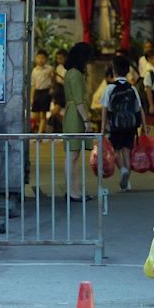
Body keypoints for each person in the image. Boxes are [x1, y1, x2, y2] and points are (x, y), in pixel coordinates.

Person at [101, 56, 148, 190]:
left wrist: (102, 127)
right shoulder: (132, 88)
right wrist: (144, 126)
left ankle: (122, 170)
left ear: (114, 71)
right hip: (130, 125)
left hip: (115, 125)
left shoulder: (109, 88)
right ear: (127, 71)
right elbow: (139, 109)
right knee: (127, 151)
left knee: (116, 151)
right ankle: (127, 183)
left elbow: (104, 109)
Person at [62, 42, 94, 201]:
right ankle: (72, 192)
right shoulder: (75, 74)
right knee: (72, 155)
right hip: (76, 115)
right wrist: (87, 120)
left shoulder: (70, 72)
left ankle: (74, 190)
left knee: (73, 155)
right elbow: (79, 100)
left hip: (73, 113)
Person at [31, 49, 54, 133]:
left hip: (45, 92)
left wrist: (52, 89)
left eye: (43, 58)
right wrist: (31, 98)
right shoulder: (34, 71)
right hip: (37, 92)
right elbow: (33, 85)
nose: (41, 60)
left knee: (43, 115)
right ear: (36, 58)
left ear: (46, 59)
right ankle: (42, 128)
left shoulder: (49, 69)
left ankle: (39, 135)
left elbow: (53, 80)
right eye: (39, 58)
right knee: (34, 115)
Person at [49, 49, 67, 132]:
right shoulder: (58, 67)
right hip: (58, 89)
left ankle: (65, 126)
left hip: (64, 90)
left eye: (61, 58)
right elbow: (55, 80)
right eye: (57, 58)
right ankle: (65, 126)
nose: (59, 60)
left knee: (55, 111)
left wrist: (58, 75)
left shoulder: (68, 68)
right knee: (55, 112)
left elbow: (66, 80)